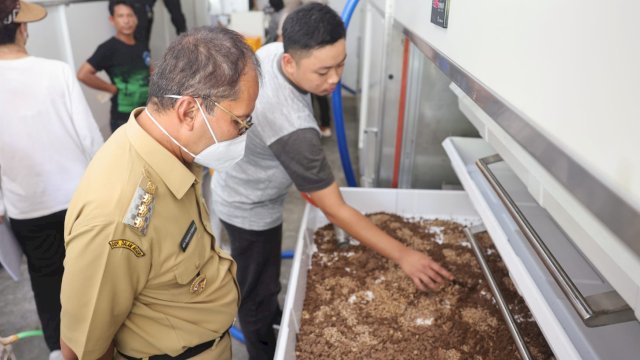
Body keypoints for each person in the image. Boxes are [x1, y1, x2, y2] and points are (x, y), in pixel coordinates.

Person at [211, 3, 454, 359]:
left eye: (341, 63)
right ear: (292, 62)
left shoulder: (274, 51)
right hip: (248, 204)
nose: (335, 79)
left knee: (264, 279)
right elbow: (336, 210)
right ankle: (264, 348)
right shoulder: (296, 131)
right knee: (256, 292)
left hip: (253, 180)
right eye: (323, 70)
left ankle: (272, 316)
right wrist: (404, 256)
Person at [60, 26, 259, 360]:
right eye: (239, 122)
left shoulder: (172, 150)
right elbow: (82, 350)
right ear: (188, 111)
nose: (243, 133)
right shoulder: (117, 216)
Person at [0, 1, 104, 359]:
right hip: (78, 201)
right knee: (92, 277)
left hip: (26, 207)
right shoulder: (56, 72)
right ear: (22, 29)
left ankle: (60, 352)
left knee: (46, 282)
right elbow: (91, 141)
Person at [77, 0, 151, 133]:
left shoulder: (142, 44)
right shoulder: (108, 48)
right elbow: (83, 74)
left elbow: (149, 69)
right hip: (123, 118)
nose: (126, 21)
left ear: (136, 18)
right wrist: (111, 89)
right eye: (121, 16)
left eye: (130, 15)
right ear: (112, 20)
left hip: (146, 113)